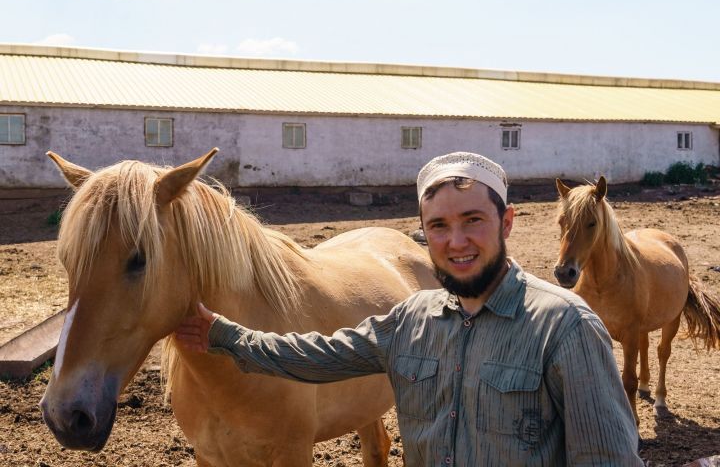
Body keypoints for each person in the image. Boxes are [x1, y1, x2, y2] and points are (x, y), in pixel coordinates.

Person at [175, 152, 643, 466]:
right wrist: (221, 334)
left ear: (507, 222)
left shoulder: (566, 327)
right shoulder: (412, 318)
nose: (455, 242)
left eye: (473, 221)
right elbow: (313, 355)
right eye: (438, 225)